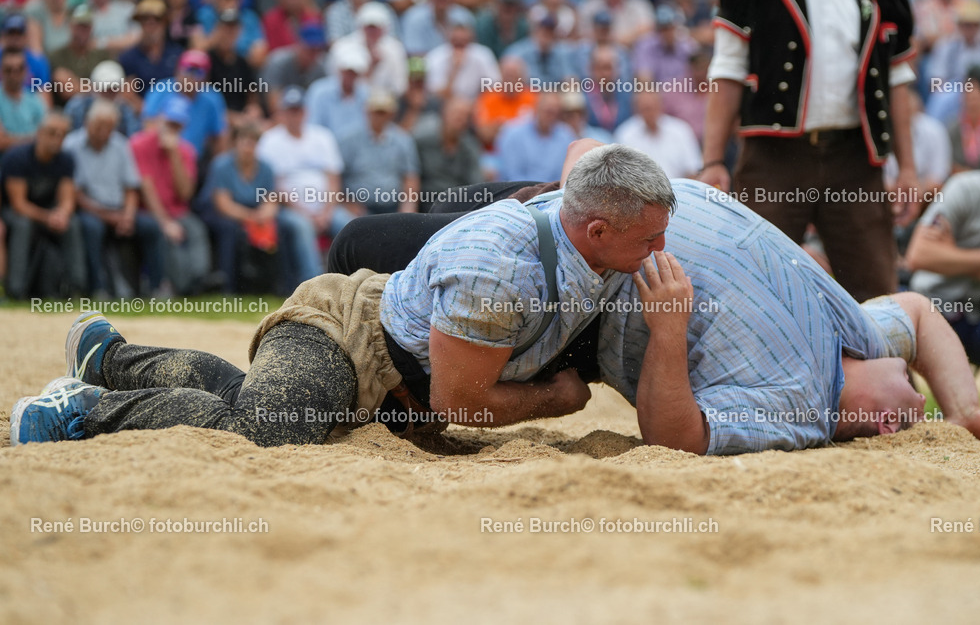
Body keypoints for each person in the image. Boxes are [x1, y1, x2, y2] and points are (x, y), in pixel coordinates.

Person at [324, 146, 980, 455]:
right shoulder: (859, 333)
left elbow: (674, 437)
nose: (914, 410)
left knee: (367, 254)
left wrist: (668, 328)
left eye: (908, 420)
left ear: (875, 428)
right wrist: (967, 414)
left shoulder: (799, 409)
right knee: (361, 244)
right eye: (918, 398)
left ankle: (344, 376)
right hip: (578, 214)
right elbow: (919, 310)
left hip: (585, 294)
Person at [11, 142, 676, 447]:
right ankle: (86, 409)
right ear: (594, 227)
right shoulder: (500, 271)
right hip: (344, 332)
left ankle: (111, 357)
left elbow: (592, 152)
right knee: (268, 428)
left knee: (250, 395)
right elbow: (457, 401)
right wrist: (553, 399)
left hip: (387, 348)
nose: (660, 253)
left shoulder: (594, 233)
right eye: (649, 240)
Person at [699, 0, 920, 303]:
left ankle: (877, 361)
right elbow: (727, 71)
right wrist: (711, 161)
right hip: (773, 158)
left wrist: (908, 168)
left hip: (856, 160)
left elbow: (896, 81)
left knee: (877, 294)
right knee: (753, 288)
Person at [906, 154, 980, 428]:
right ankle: (900, 416)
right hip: (933, 315)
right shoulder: (966, 186)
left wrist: (952, 257)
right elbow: (919, 254)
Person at [256, 86, 351, 288]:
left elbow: (333, 179)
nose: (294, 115)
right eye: (290, 110)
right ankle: (314, 286)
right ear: (281, 113)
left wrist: (326, 212)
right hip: (289, 208)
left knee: (349, 225)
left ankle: (352, 283)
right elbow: (275, 186)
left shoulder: (322, 137)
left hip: (326, 208)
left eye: (298, 110)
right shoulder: (270, 141)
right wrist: (306, 213)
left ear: (305, 111)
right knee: (302, 227)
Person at [64, 99, 160, 298]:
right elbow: (74, 193)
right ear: (87, 123)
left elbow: (131, 188)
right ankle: (98, 288)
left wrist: (128, 215)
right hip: (88, 209)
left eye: (108, 128)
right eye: (98, 126)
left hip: (119, 210)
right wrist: (108, 216)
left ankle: (157, 287)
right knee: (92, 228)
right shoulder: (71, 145)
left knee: (151, 227)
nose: (103, 132)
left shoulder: (121, 144)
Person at [131, 94, 210, 296]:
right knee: (166, 235)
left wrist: (174, 154)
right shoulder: (139, 144)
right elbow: (146, 189)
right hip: (148, 211)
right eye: (169, 122)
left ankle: (199, 281)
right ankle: (179, 286)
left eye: (177, 124)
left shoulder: (186, 151)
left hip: (178, 211)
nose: (172, 128)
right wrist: (165, 222)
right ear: (159, 119)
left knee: (196, 230)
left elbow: (185, 194)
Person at [1, 112, 85, 299]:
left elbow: (67, 198)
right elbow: (18, 204)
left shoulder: (66, 159)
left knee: (72, 223)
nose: (57, 139)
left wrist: (62, 214)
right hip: (13, 212)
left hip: (47, 212)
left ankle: (76, 286)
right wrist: (49, 217)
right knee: (23, 225)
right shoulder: (17, 158)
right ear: (39, 133)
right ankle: (16, 289)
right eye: (52, 133)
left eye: (62, 134)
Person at [200, 121, 278, 293]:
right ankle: (229, 286)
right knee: (231, 230)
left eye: (253, 141)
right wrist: (252, 217)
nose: (247, 146)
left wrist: (265, 215)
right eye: (244, 140)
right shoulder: (221, 165)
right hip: (216, 212)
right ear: (236, 142)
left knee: (282, 226)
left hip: (251, 212)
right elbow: (223, 205)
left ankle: (277, 285)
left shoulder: (266, 167)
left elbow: (271, 200)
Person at [338, 90, 420, 214]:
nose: (378, 117)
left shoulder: (403, 140)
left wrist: (408, 207)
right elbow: (338, 175)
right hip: (359, 206)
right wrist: (347, 203)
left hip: (392, 206)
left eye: (383, 113)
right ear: (366, 112)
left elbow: (410, 176)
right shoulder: (348, 140)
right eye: (375, 112)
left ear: (392, 114)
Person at [141, 50, 228, 163]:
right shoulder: (160, 89)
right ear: (178, 70)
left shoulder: (212, 99)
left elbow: (220, 136)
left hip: (194, 161)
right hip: (160, 157)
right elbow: (148, 127)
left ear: (206, 77)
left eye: (198, 72)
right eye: (188, 70)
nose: (191, 77)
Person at [614, 90, 702, 180]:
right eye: (645, 109)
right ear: (636, 110)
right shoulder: (625, 135)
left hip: (679, 190)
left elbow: (693, 170)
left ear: (661, 106)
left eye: (653, 107)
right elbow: (622, 175)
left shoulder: (680, 130)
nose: (650, 113)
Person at [414, 97, 481, 212]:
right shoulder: (422, 141)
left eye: (466, 116)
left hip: (457, 206)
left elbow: (476, 183)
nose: (461, 119)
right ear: (443, 114)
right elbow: (411, 175)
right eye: (456, 114)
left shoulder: (470, 147)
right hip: (426, 204)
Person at [494, 92, 574, 183]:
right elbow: (510, 174)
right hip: (516, 192)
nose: (551, 117)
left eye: (555, 113)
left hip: (554, 193)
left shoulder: (566, 137)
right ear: (536, 108)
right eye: (548, 111)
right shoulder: (512, 133)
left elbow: (565, 176)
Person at [424, 7, 499, 103]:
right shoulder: (435, 57)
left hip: (476, 105)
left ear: (471, 36)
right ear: (448, 36)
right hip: (444, 106)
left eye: (463, 42)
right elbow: (435, 96)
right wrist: (454, 71)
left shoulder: (483, 55)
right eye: (456, 42)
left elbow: (495, 88)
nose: (459, 47)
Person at [335, 2, 408, 97]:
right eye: (369, 27)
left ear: (385, 28)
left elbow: (399, 87)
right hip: (352, 100)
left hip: (385, 103)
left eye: (376, 27)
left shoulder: (396, 49)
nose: (372, 32)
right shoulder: (343, 47)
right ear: (360, 26)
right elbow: (339, 85)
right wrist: (371, 67)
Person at [117, 0, 182, 102]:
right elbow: (128, 95)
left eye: (157, 20)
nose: (151, 25)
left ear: (165, 23)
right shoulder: (129, 58)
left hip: (174, 112)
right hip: (141, 114)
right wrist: (149, 114)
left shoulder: (177, 54)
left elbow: (185, 89)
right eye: (145, 20)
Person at [305, 42, 369, 146]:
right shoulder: (319, 92)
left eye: (355, 72)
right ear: (340, 70)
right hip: (325, 150)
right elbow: (313, 128)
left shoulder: (366, 94)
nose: (351, 76)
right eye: (348, 71)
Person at [261, 21, 327, 112]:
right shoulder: (278, 62)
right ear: (299, 44)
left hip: (307, 118)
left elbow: (322, 105)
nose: (314, 55)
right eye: (311, 49)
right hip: (277, 117)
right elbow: (274, 105)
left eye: (318, 50)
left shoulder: (320, 69)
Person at [0, 47, 45, 152]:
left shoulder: (35, 100)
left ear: (26, 70)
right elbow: (1, 142)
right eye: (9, 70)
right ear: (2, 71)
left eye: (19, 69)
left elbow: (45, 135)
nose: (14, 75)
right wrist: (33, 140)